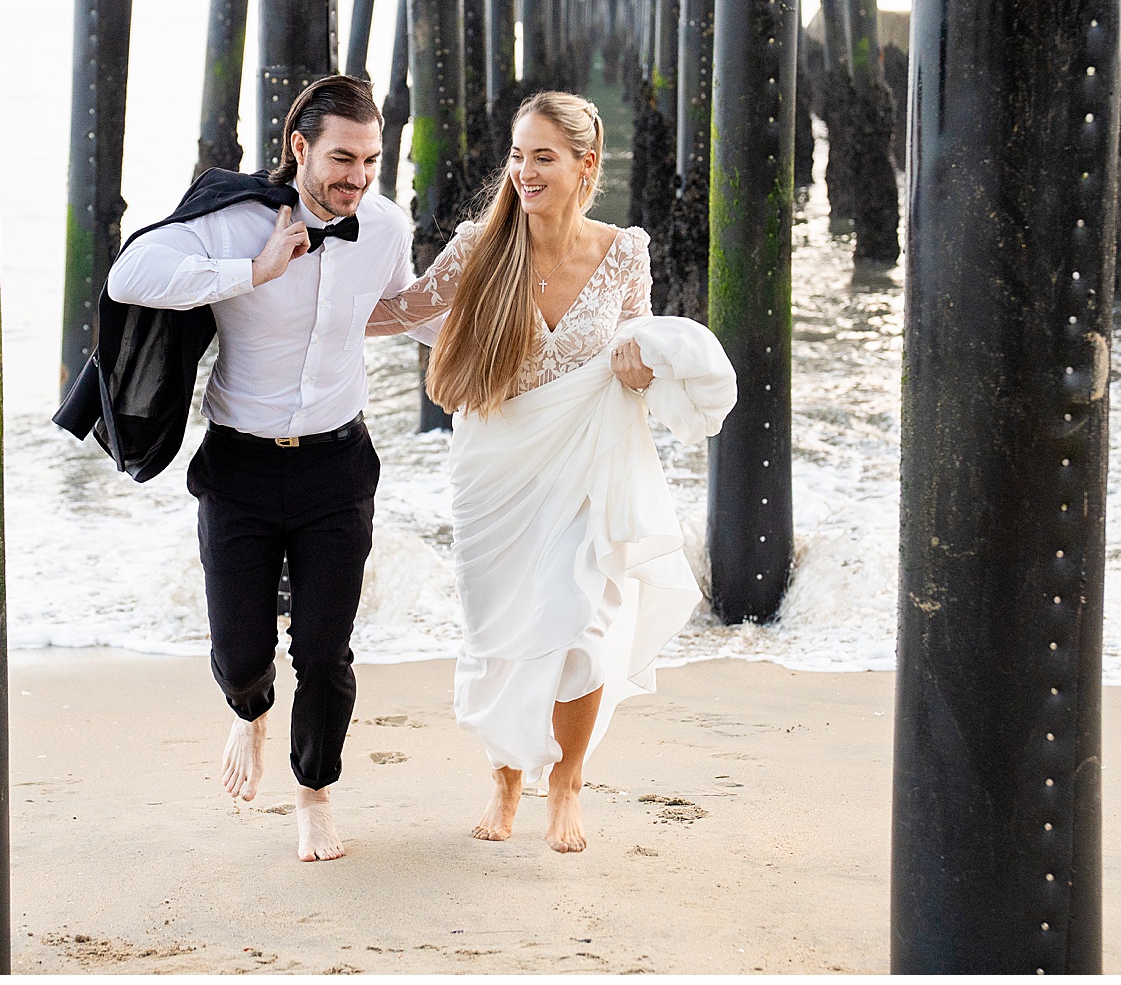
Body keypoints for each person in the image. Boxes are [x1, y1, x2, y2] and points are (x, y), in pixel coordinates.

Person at [368, 91, 735, 853]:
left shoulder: (623, 251)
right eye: (517, 155)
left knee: (581, 622)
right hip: (495, 468)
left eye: (543, 157)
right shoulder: (481, 244)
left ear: (584, 164)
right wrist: (282, 294)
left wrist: (642, 364)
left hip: (584, 464)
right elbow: (401, 311)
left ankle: (565, 783)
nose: (524, 172)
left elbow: (635, 340)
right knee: (500, 631)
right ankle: (506, 775)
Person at [105, 75, 417, 862]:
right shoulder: (234, 221)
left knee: (324, 649)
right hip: (240, 468)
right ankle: (249, 709)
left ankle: (314, 792)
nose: (358, 177)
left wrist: (504, 348)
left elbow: (400, 309)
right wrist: (253, 272)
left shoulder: (382, 225)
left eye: (372, 161)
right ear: (300, 148)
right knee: (243, 656)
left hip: (337, 466)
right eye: (344, 158)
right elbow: (127, 276)